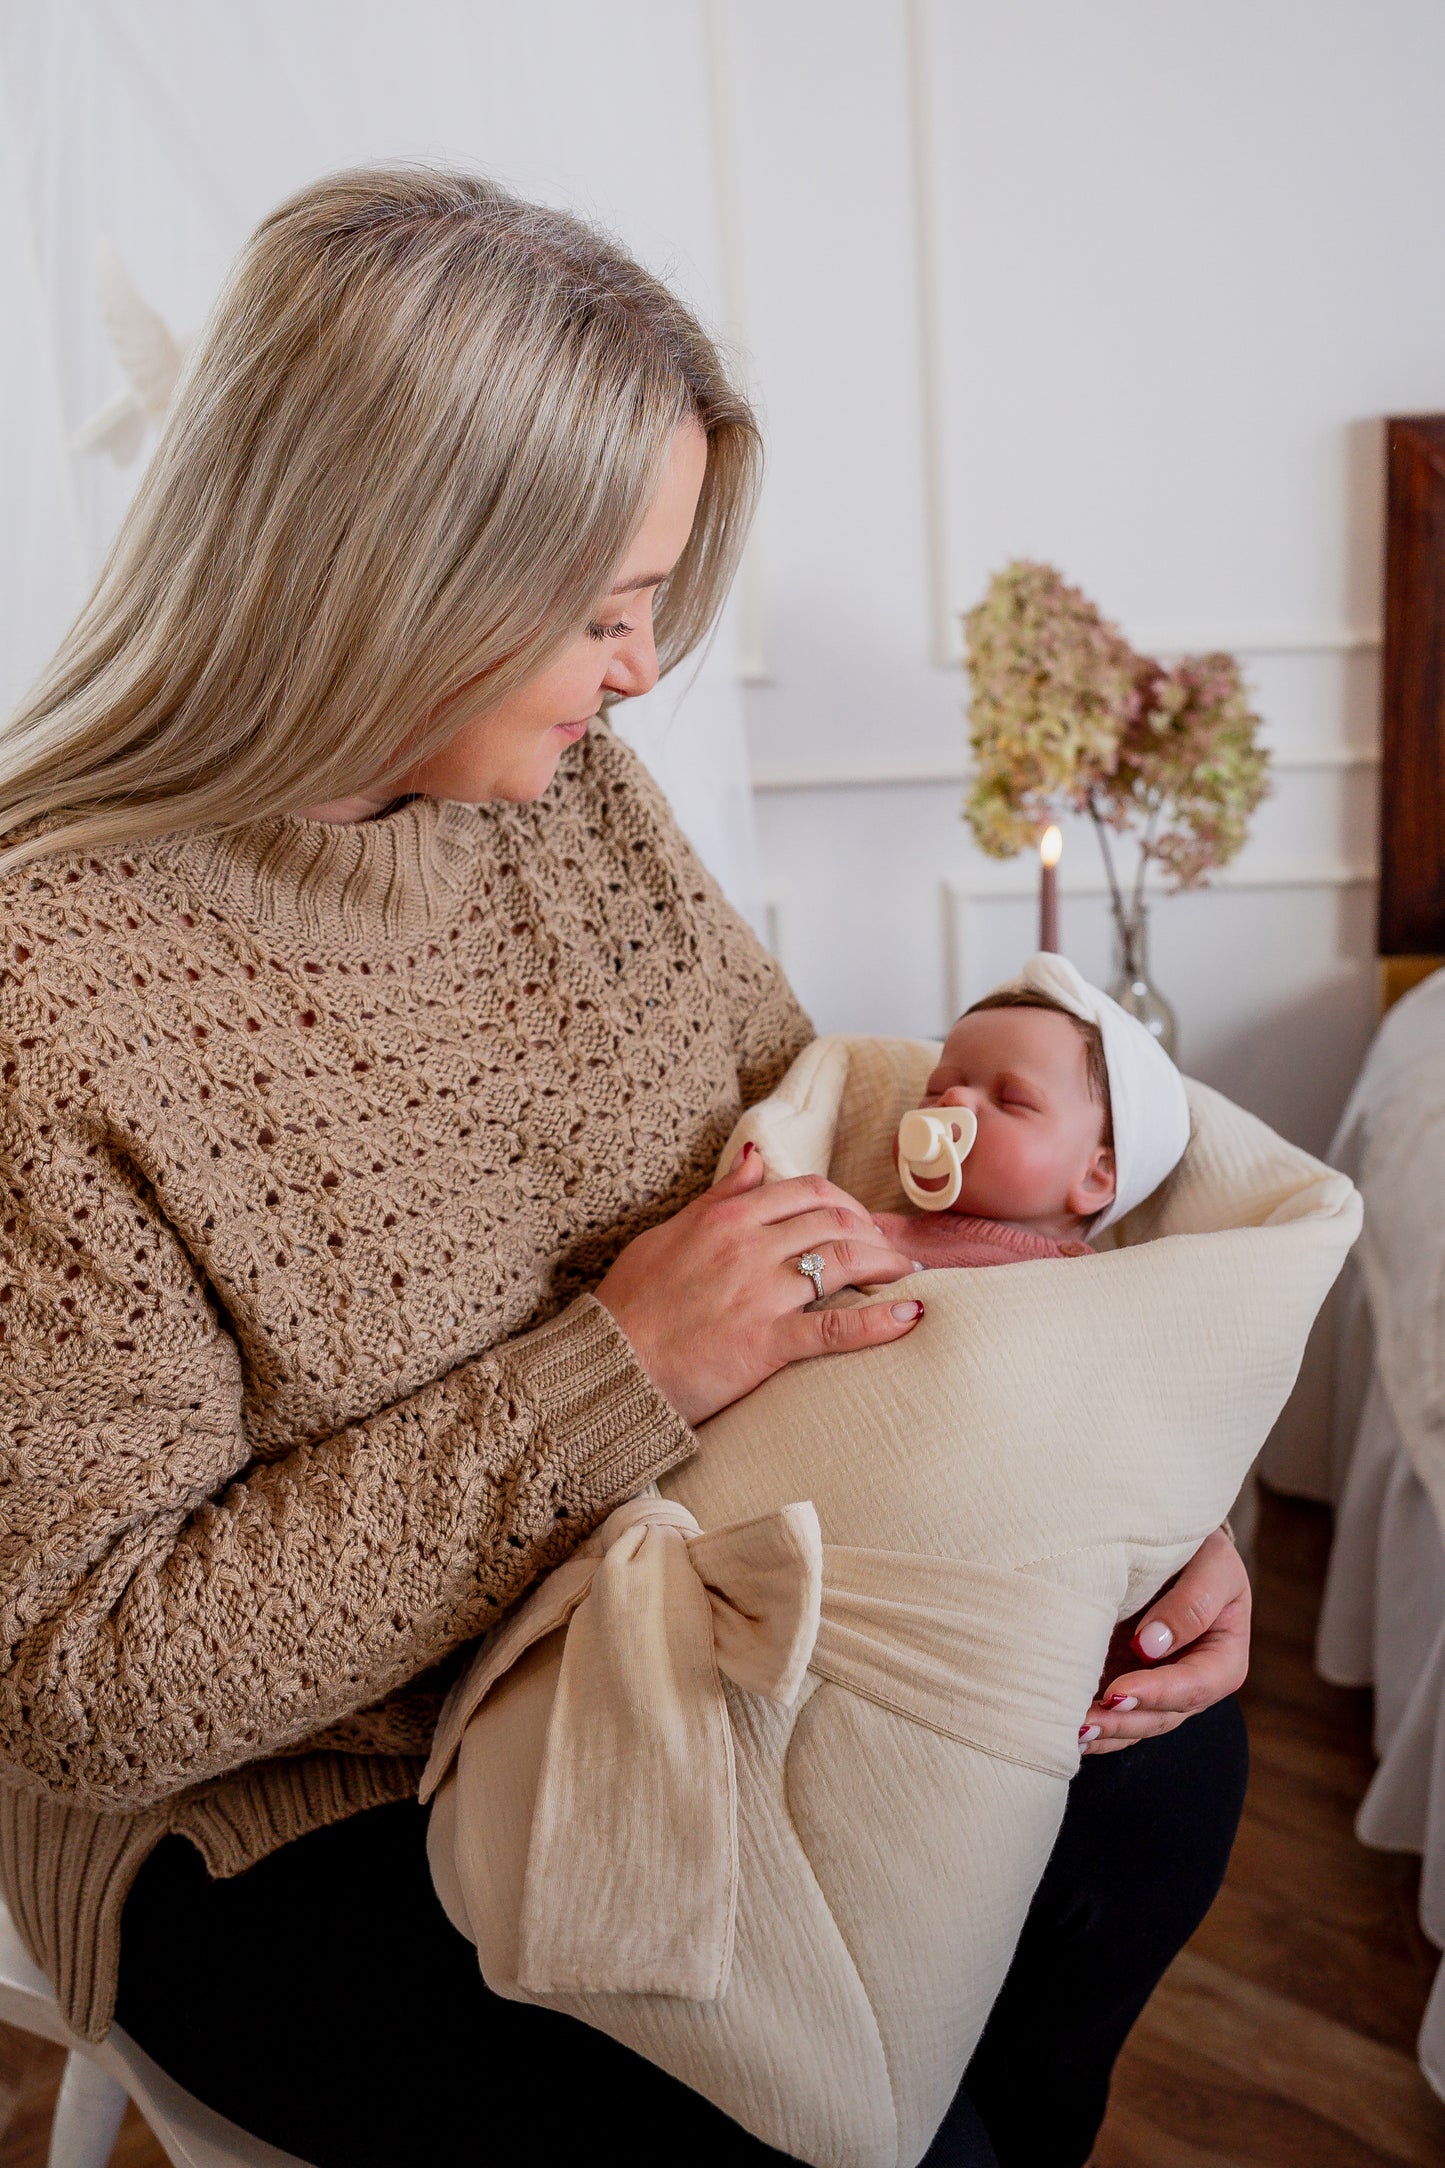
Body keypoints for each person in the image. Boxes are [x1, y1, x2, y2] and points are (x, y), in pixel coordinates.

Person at [0, 166, 1248, 2167]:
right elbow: (87, 1689)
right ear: (386, 579)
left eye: (649, 603)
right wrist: (615, 1372)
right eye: (598, 613)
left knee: (1152, 1790)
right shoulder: (53, 997)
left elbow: (822, 1170)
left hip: (678, 1618)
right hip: (299, 1811)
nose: (640, 673)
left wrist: (1100, 1504)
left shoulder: (561, 799)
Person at [875, 951, 1191, 1272]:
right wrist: (827, 1252)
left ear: (1094, 1177)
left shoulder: (1098, 1284)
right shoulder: (870, 1237)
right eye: (937, 1088)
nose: (952, 1098)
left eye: (1010, 1099)